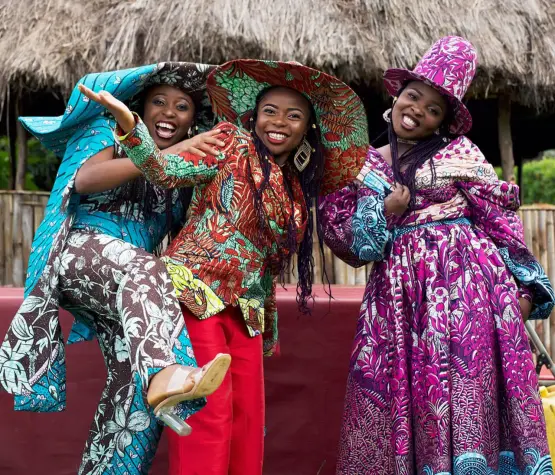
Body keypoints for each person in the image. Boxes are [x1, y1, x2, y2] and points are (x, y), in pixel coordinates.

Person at [80, 58, 369, 475]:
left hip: (245, 312)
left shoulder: (293, 186)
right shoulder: (229, 142)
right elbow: (162, 170)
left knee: (248, 420)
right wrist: (131, 129)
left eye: (293, 116)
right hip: (193, 292)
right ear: (254, 116)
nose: (279, 123)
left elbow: (266, 264)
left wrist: (267, 322)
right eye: (270, 111)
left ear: (308, 129)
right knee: (210, 416)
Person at [319, 36, 555, 474]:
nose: (418, 111)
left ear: (442, 122)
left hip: (472, 300)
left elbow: (500, 222)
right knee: (403, 391)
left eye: (433, 109)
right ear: (398, 95)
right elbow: (346, 242)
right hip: (400, 303)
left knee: (466, 394)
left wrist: (524, 290)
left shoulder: (462, 155)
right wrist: (383, 211)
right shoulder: (364, 165)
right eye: (414, 97)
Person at [0, 62, 231, 474]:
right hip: (77, 254)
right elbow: (86, 178)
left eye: (182, 107)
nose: (169, 113)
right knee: (145, 271)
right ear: (141, 106)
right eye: (159, 102)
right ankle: (165, 371)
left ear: (194, 119)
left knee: (135, 397)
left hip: (127, 288)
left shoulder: (184, 168)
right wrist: (162, 153)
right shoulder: (108, 129)